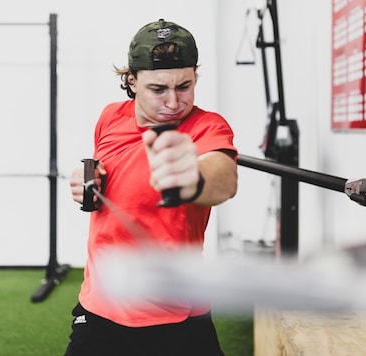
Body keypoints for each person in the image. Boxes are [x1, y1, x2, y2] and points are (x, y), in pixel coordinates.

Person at [65, 19, 238, 356]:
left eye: (184, 86)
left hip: (178, 315)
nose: (174, 102)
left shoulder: (205, 126)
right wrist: (91, 179)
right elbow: (109, 170)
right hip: (101, 308)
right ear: (132, 81)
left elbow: (224, 180)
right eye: (158, 89)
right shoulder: (110, 118)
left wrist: (191, 175)